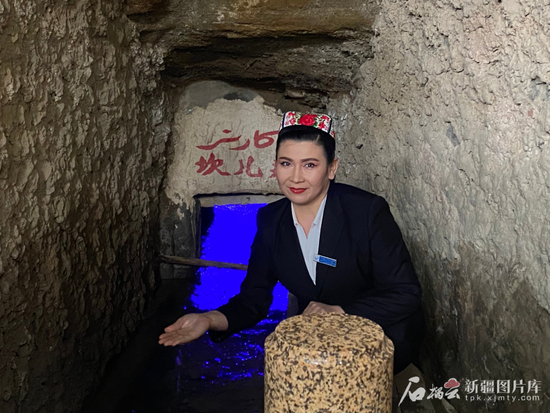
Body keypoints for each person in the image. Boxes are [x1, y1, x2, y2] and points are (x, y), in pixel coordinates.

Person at [159, 111, 425, 374]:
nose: (295, 177)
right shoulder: (270, 220)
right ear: (275, 165)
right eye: (286, 163)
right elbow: (254, 298)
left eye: (310, 165)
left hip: (377, 339)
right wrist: (208, 319)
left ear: (332, 168)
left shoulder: (366, 212)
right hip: (317, 343)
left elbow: (405, 293)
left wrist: (340, 311)